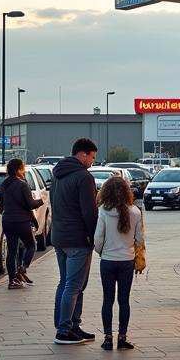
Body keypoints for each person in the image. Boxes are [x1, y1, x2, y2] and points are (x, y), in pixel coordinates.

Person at [50, 138, 99, 345]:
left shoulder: (58, 175)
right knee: (75, 284)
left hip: (60, 236)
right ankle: (64, 330)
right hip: (78, 238)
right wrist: (93, 235)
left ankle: (71, 324)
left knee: (66, 282)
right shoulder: (83, 177)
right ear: (82, 154)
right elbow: (89, 211)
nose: (92, 162)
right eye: (92, 157)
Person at [94, 175, 144, 351]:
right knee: (124, 300)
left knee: (107, 299)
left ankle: (108, 338)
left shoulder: (103, 211)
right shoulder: (136, 212)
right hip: (127, 261)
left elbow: (98, 238)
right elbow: (140, 239)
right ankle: (122, 338)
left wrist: (101, 252)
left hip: (108, 260)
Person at [0, 158, 42, 290]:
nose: (24, 171)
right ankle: (22, 269)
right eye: (23, 168)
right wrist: (41, 200)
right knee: (31, 245)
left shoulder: (3, 185)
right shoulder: (23, 184)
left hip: (7, 220)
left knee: (12, 251)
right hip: (21, 221)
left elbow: (0, 205)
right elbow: (30, 204)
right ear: (18, 170)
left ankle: (12, 281)